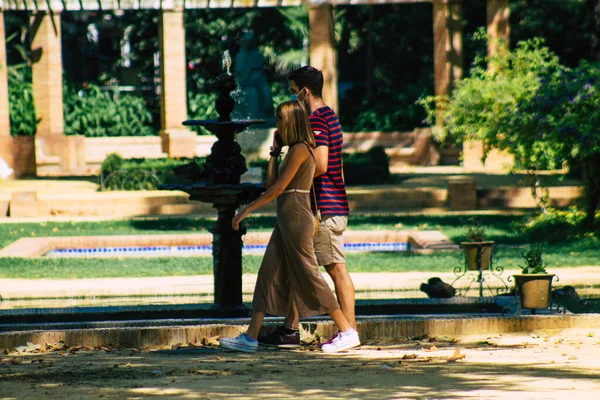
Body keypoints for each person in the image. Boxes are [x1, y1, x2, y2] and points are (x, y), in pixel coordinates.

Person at [219, 101, 360, 354]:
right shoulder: (290, 149)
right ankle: (251, 338)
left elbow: (278, 189)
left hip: (296, 217)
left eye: (279, 119)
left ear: (290, 121)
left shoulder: (300, 149)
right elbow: (271, 182)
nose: (277, 124)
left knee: (309, 275)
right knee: (267, 273)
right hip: (285, 219)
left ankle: (347, 331)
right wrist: (274, 151)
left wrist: (246, 209)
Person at [258, 66, 355, 348]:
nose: (292, 96)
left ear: (305, 91)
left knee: (334, 269)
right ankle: (290, 329)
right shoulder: (330, 116)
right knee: (301, 268)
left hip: (324, 207)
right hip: (326, 205)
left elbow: (322, 164)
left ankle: (348, 333)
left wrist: (290, 174)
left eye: (293, 90)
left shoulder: (317, 120)